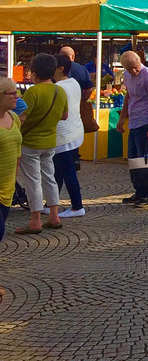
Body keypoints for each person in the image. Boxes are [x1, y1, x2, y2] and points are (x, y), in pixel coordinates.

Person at [14, 54, 69, 234]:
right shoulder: (60, 90)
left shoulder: (33, 92)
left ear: (35, 73)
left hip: (30, 142)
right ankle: (54, 216)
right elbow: (64, 116)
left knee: (33, 181)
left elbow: (22, 118)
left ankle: (35, 221)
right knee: (49, 177)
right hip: (50, 141)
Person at [116, 51, 148, 206]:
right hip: (134, 121)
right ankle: (139, 191)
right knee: (134, 158)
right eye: (129, 69)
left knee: (146, 158)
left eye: (135, 68)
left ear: (140, 61)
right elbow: (128, 97)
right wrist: (122, 118)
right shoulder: (128, 76)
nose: (133, 71)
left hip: (146, 121)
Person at [53, 55, 86, 218]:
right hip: (75, 133)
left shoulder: (58, 87)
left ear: (60, 68)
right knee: (58, 171)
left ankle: (77, 206)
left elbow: (58, 113)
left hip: (63, 136)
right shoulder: (73, 83)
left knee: (67, 171)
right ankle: (51, 204)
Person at [0, 77, 24, 245]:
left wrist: (15, 177)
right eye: (13, 93)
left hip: (8, 188)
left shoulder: (14, 118)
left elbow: (17, 149)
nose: (17, 97)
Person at [60, 45, 99, 134]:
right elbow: (89, 89)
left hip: (61, 110)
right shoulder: (82, 69)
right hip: (78, 109)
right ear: (73, 56)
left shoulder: (57, 69)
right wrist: (81, 101)